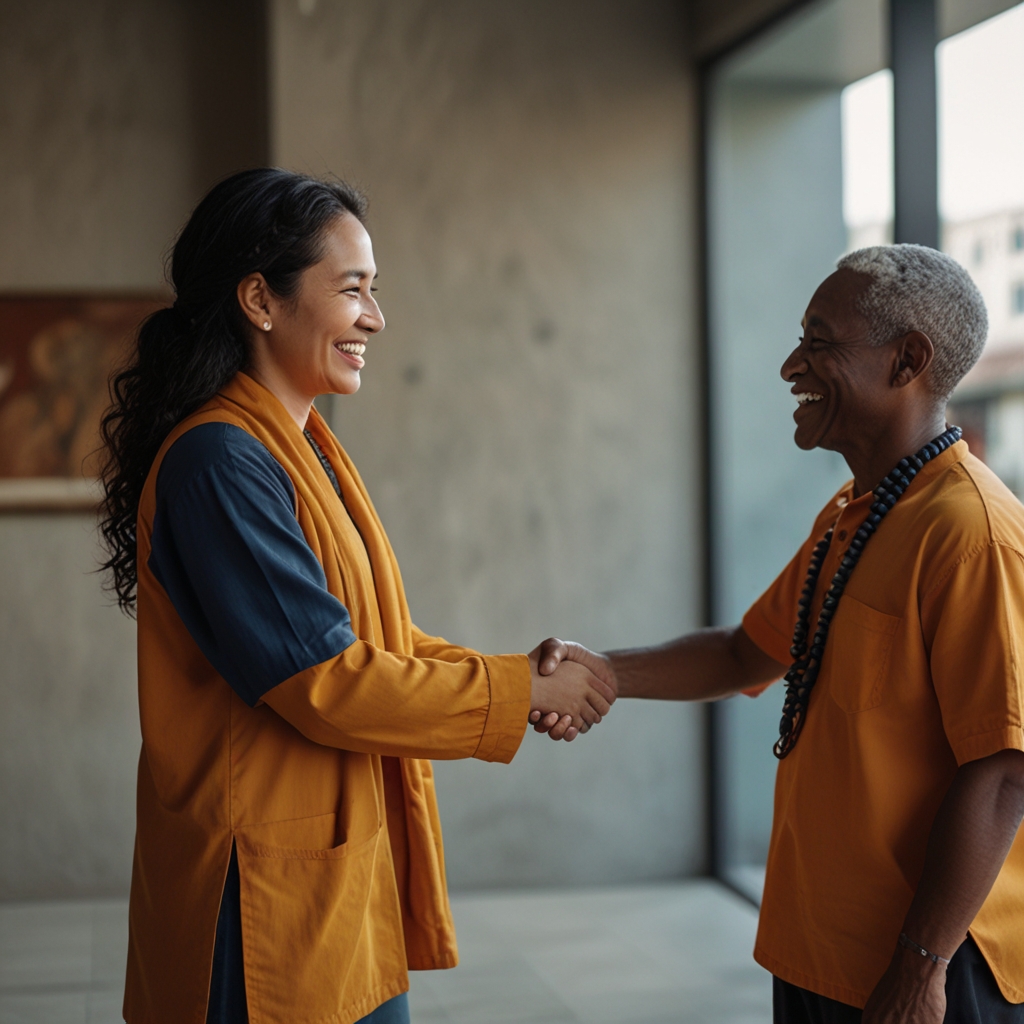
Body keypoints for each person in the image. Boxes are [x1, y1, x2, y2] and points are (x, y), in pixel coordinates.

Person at [99, 168, 614, 1024]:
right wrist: (521, 693)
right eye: (353, 290)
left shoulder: (304, 448)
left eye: (374, 291)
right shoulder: (221, 460)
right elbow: (325, 677)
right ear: (260, 298)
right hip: (255, 901)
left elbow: (379, 636)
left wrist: (521, 675)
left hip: (329, 875)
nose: (374, 317)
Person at [538, 245, 1024, 1024]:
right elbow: (743, 652)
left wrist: (920, 968)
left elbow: (1001, 774)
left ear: (908, 361)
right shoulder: (852, 516)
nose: (791, 364)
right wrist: (599, 671)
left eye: (820, 341)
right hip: (819, 954)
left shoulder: (973, 533)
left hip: (925, 967)